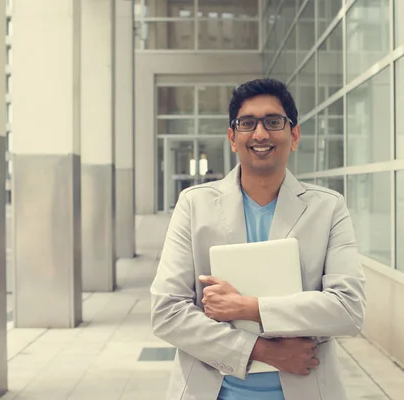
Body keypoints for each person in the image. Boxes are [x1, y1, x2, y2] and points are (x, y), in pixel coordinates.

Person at [150, 78, 366, 400]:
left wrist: (250, 308)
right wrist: (262, 350)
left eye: (273, 122)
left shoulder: (328, 208)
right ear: (232, 138)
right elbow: (167, 312)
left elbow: (348, 309)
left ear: (294, 135)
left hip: (305, 389)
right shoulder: (194, 205)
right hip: (214, 391)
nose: (260, 133)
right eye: (247, 123)